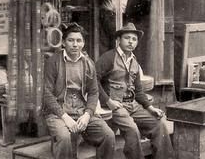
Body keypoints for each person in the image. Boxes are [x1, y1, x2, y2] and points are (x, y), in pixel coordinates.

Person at [96, 23, 174, 159]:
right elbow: (93, 81)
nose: (131, 42)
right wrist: (108, 101)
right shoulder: (108, 57)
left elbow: (138, 91)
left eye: (134, 39)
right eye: (127, 38)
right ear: (118, 40)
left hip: (133, 105)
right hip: (116, 107)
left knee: (159, 125)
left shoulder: (134, 62)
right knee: (132, 130)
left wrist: (150, 108)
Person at [43, 23, 115, 159]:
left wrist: (87, 115)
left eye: (79, 40)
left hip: (81, 111)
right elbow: (47, 94)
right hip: (58, 113)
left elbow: (94, 92)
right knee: (65, 138)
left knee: (108, 135)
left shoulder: (88, 63)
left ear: (83, 43)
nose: (75, 44)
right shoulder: (53, 62)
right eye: (71, 40)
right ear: (63, 42)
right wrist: (65, 117)